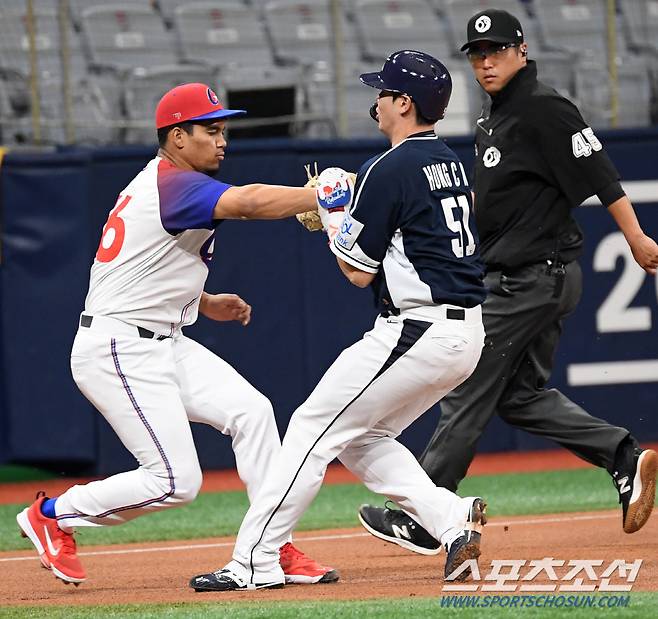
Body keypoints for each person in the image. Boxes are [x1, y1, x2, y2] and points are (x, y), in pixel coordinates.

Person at [358, 8, 658, 556]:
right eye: (477, 53)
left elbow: (601, 173)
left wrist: (637, 240)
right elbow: (496, 201)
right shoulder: (494, 116)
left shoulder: (544, 108)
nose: (486, 61)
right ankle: (621, 455)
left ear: (521, 51)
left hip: (533, 277)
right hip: (531, 274)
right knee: (518, 397)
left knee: (468, 385)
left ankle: (430, 512)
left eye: (496, 50)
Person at [188, 49, 488, 592]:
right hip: (463, 331)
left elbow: (354, 270)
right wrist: (343, 218)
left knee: (309, 428)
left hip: (418, 327)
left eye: (383, 92)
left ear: (403, 103)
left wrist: (331, 214)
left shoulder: (391, 165)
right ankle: (450, 519)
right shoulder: (449, 159)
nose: (376, 100)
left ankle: (254, 560)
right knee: (360, 438)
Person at [16, 82, 338, 587]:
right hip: (120, 349)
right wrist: (320, 195)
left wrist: (203, 301)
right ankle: (53, 513)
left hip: (164, 339)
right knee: (175, 481)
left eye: (224, 129)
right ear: (177, 136)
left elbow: (137, 266)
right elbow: (251, 203)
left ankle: (271, 545)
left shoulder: (168, 183)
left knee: (252, 413)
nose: (222, 140)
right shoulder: (174, 184)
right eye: (210, 130)